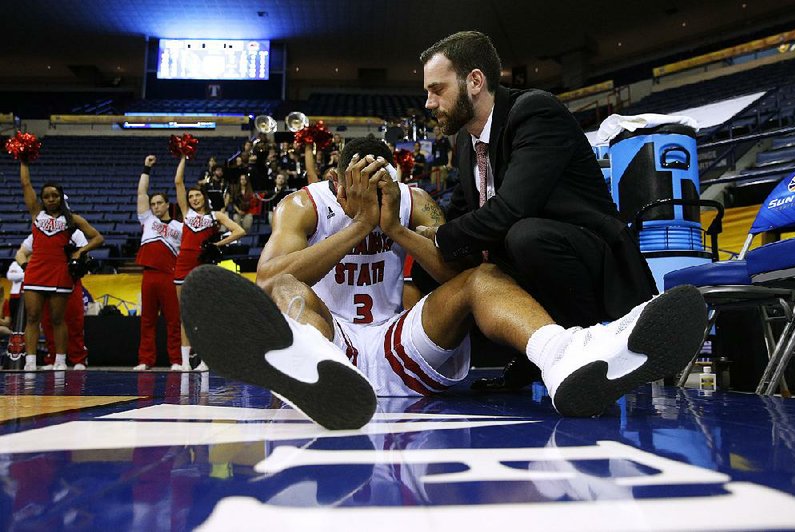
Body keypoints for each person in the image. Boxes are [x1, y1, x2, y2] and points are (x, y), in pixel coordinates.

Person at [178, 137, 706, 430]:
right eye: (359, 183)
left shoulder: (414, 201)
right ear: (336, 181)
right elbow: (268, 278)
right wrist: (358, 228)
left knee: (483, 278)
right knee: (291, 292)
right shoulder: (303, 203)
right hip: (333, 340)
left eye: (381, 180)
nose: (373, 191)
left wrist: (395, 229)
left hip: (394, 341)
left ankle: (565, 357)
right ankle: (312, 372)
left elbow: (460, 278)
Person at [419, 31, 658, 390]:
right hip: (532, 260)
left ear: (475, 81)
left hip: (589, 258)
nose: (429, 102)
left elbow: (511, 209)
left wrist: (438, 236)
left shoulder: (534, 111)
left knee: (523, 236)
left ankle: (587, 349)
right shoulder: (467, 144)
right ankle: (534, 356)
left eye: (437, 89)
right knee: (438, 265)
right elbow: (459, 215)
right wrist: (408, 225)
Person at [18, 160, 103, 370]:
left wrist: (80, 251)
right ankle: (30, 362)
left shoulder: (72, 219)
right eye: (46, 196)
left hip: (60, 272)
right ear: (42, 199)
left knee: (58, 319)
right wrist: (24, 161)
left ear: (61, 197)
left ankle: (60, 361)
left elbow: (97, 238)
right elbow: (25, 184)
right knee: (33, 317)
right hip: (36, 270)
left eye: (54, 195)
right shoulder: (37, 214)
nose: (50, 199)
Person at [174, 154, 246, 371]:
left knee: (204, 313)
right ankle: (185, 362)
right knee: (185, 314)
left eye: (197, 195)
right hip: (183, 264)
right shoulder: (185, 213)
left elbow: (240, 230)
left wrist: (218, 244)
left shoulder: (216, 216)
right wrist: (184, 157)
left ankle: (205, 360)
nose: (194, 199)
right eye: (191, 196)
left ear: (204, 197)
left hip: (204, 266)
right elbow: (178, 182)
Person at [133, 155, 184, 371]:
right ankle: (145, 360)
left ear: (167, 204)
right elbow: (141, 193)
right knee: (147, 320)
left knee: (173, 320)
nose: (154, 206)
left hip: (169, 276)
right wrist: (146, 168)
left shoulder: (180, 227)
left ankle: (176, 360)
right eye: (153, 204)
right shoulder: (148, 220)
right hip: (149, 275)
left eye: (159, 203)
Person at [17, 231, 91, 370]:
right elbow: (20, 253)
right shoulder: (38, 233)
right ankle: (52, 357)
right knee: (47, 320)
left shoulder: (73, 232)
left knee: (73, 319)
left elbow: (84, 251)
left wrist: (75, 260)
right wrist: (27, 268)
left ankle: (78, 358)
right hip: (43, 280)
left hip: (68, 278)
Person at [429, 125, 452, 192]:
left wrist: (449, 162)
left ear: (440, 130)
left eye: (437, 129)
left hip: (443, 163)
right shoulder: (434, 142)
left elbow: (449, 151)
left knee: (443, 180)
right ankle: (435, 196)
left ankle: (443, 196)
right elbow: (432, 154)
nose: (435, 131)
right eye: (434, 130)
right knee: (433, 181)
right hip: (435, 164)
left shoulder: (445, 140)